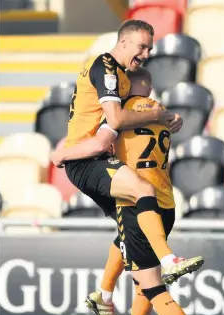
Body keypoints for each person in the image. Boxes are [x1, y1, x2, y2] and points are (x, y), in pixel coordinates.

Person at [53, 68, 211, 315]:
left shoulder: (123, 114)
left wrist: (62, 154)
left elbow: (99, 144)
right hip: (164, 205)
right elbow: (168, 124)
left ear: (126, 87)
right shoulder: (159, 112)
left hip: (136, 202)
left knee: (151, 287)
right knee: (137, 274)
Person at [51, 19, 203, 287]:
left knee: (134, 223)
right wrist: (63, 154)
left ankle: (106, 295)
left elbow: (122, 120)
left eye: (149, 50)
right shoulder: (106, 67)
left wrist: (167, 116)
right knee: (144, 191)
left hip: (93, 155)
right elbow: (117, 120)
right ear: (124, 41)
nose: (146, 55)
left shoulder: (121, 77)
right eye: (142, 47)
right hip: (85, 158)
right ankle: (167, 261)